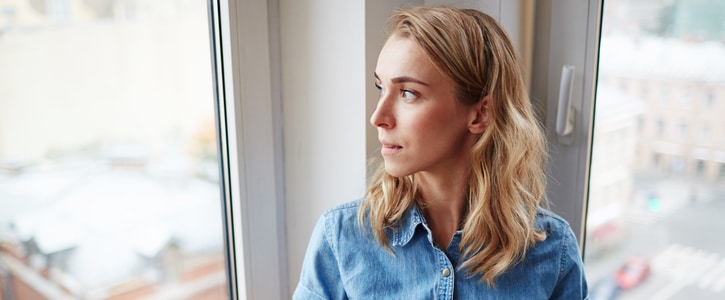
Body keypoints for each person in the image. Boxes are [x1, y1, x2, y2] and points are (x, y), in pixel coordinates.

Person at [293, 6, 588, 299]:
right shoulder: (341, 239)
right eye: (380, 87)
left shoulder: (552, 252)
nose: (378, 117)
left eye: (408, 93)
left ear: (480, 114)